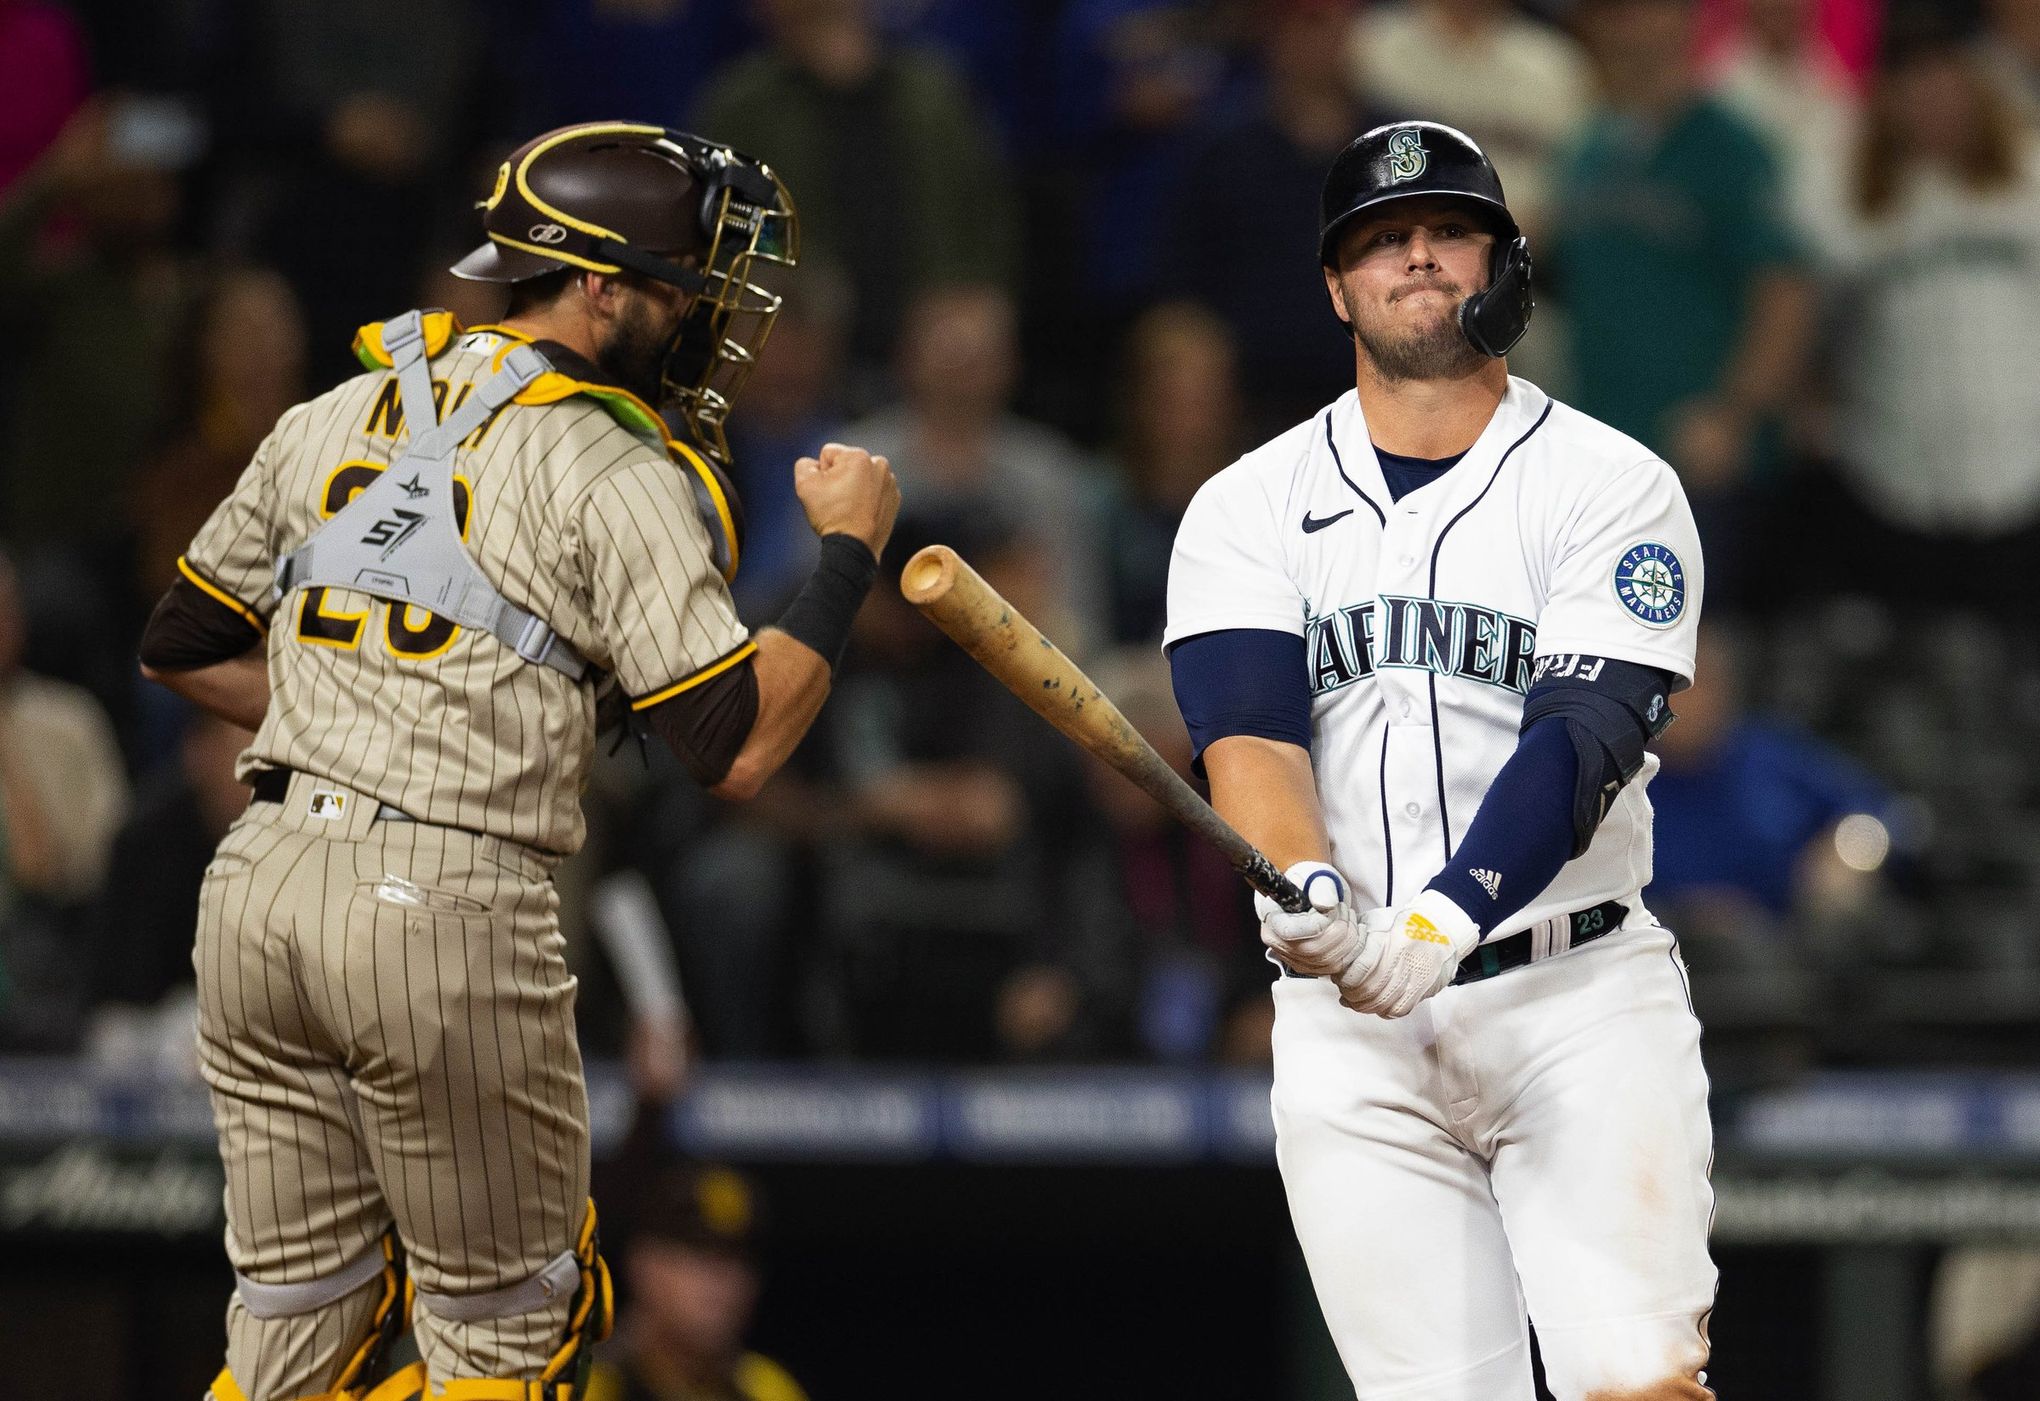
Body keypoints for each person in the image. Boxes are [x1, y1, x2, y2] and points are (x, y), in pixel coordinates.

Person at [137, 121, 899, 1401]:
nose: (705, 317)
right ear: (598, 284)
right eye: (680, 286)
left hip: (257, 892)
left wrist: (370, 708)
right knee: (513, 1335)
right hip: (440, 909)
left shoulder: (337, 410)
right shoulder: (616, 462)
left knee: (292, 1332)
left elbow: (181, 643)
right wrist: (847, 558)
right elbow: (739, 749)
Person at [1165, 121, 1715, 1398]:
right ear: (1336, 287)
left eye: (1448, 230)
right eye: (1380, 239)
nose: (1416, 254)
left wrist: (1445, 912)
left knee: (1638, 1382)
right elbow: (1250, 734)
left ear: (1506, 264)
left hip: (1574, 1003)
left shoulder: (1611, 486)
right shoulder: (1247, 505)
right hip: (1353, 1030)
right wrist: (1307, 893)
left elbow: (1583, 741)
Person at [585, 1161, 807, 1401]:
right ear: (643, 1264)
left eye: (738, 1258)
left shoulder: (767, 1389)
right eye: (699, 1253)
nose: (721, 1279)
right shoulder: (587, 1386)